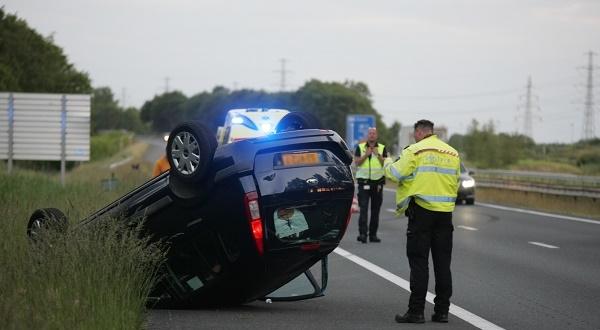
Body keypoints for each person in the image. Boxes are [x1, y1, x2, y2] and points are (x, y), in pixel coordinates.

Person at [384, 119, 460, 324]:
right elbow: (456, 182)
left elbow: (395, 173)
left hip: (422, 213)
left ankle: (416, 311)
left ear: (418, 132)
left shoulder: (415, 150)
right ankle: (442, 312)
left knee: (419, 263)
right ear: (432, 132)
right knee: (443, 264)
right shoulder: (452, 153)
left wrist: (387, 162)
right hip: (445, 214)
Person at [354, 127, 388, 243]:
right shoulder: (360, 147)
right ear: (367, 135)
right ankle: (363, 234)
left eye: (374, 133)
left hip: (377, 184)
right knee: (363, 210)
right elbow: (357, 163)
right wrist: (366, 155)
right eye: (370, 133)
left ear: (376, 135)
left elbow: (386, 163)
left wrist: (377, 155)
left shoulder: (382, 148)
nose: (372, 135)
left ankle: (373, 235)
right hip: (363, 183)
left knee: (375, 210)